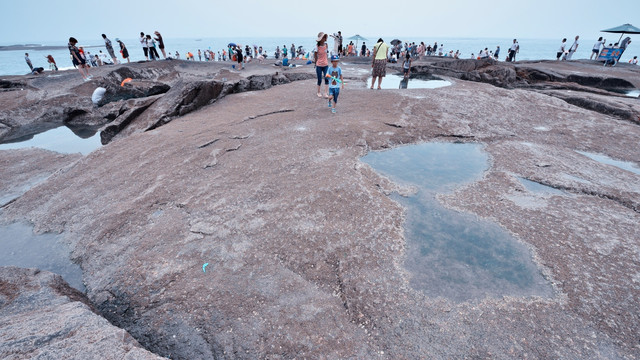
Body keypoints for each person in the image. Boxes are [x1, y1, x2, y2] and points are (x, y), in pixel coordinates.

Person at [313, 32, 330, 98]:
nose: (324, 38)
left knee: (326, 78)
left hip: (325, 64)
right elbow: (315, 55)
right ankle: (318, 92)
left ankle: (326, 93)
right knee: (319, 79)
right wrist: (316, 63)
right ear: (321, 39)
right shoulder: (317, 46)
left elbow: (326, 53)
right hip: (319, 65)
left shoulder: (326, 45)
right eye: (323, 37)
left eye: (325, 37)